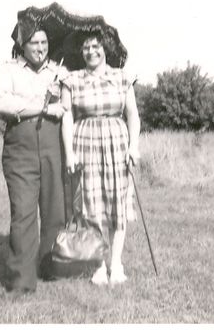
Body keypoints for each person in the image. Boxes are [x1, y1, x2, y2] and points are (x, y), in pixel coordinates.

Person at [0, 9, 66, 294]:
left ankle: (51, 269)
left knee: (54, 210)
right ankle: (22, 281)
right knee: (23, 212)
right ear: (22, 45)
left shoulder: (58, 73)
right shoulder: (7, 70)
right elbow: (2, 104)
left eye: (44, 43)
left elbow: (67, 107)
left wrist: (59, 97)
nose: (41, 48)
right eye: (35, 43)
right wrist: (42, 106)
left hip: (52, 144)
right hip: (20, 148)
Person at [61, 30, 140, 286]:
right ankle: (98, 265)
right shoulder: (71, 80)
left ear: (106, 48)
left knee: (117, 203)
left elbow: (132, 115)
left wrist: (134, 146)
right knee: (91, 205)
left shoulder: (121, 77)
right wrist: (69, 152)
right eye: (86, 48)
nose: (91, 52)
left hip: (117, 142)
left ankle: (115, 264)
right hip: (85, 143)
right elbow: (67, 117)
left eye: (96, 46)